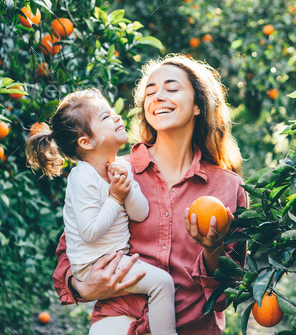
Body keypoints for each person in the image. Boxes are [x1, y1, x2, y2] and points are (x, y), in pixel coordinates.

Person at [52, 55, 248, 334]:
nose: (158, 96)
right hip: (119, 320)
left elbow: (228, 289)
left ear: (197, 105)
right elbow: (70, 249)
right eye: (150, 92)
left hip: (194, 327)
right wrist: (82, 285)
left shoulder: (228, 188)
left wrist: (212, 247)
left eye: (171, 88)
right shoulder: (113, 171)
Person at [26, 88, 177, 335]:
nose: (117, 117)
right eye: (106, 117)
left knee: (160, 284)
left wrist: (126, 190)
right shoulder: (82, 177)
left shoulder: (119, 168)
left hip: (112, 260)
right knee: (163, 284)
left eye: (113, 113)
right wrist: (115, 198)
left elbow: (140, 214)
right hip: (94, 265)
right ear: (86, 142)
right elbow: (89, 233)